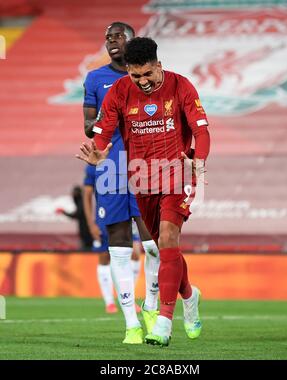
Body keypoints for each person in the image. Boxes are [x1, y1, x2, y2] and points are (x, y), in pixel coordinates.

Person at [76, 37, 210, 347]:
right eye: (136, 76)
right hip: (142, 178)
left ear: (159, 66)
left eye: (148, 74)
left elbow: (202, 130)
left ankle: (164, 321)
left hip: (177, 171)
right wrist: (98, 152)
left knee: (167, 238)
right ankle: (190, 296)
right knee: (165, 248)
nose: (143, 82)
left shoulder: (181, 86)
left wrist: (198, 160)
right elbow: (103, 131)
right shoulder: (121, 91)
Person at [82, 23, 160, 344]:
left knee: (153, 244)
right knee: (118, 245)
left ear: (132, 41)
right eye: (107, 39)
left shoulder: (147, 76)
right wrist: (105, 116)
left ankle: (152, 306)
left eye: (117, 37)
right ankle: (131, 324)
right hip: (111, 164)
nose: (111, 42)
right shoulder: (95, 79)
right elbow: (88, 126)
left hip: (148, 162)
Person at [83, 163, 142, 314]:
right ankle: (109, 302)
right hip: (105, 215)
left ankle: (128, 298)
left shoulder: (130, 156)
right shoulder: (96, 162)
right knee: (104, 257)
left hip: (129, 214)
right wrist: (91, 224)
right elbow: (87, 193)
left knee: (135, 254)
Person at [56, 185, 93, 251]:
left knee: (87, 245)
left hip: (86, 230)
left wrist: (64, 212)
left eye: (74, 193)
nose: (73, 194)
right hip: (84, 229)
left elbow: (77, 214)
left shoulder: (82, 202)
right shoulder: (79, 201)